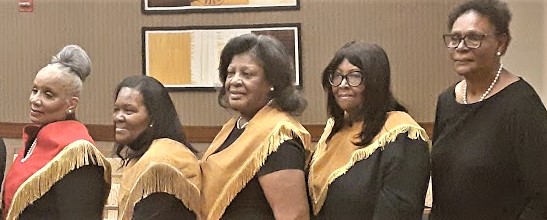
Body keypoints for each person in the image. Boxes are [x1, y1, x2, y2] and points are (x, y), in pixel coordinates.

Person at [431, 0, 547, 219]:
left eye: (474, 38)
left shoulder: (522, 105)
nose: (461, 46)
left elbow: (542, 197)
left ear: (501, 44)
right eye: (454, 38)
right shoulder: (447, 100)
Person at [308, 41, 430, 219]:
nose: (342, 84)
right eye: (336, 76)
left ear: (375, 82)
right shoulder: (333, 132)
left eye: (354, 76)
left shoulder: (402, 136)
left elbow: (398, 212)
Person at [200, 33, 312, 220]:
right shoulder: (234, 127)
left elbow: (294, 215)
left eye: (247, 74)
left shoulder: (279, 139)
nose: (234, 81)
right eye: (230, 73)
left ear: (272, 83)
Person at [2, 45, 111, 220]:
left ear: (71, 104)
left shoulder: (80, 154)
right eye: (34, 90)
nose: (35, 100)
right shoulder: (36, 139)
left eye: (48, 95)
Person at [113, 75, 201, 220]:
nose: (118, 117)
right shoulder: (142, 157)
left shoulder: (163, 162)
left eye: (129, 111)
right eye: (116, 109)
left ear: (153, 117)